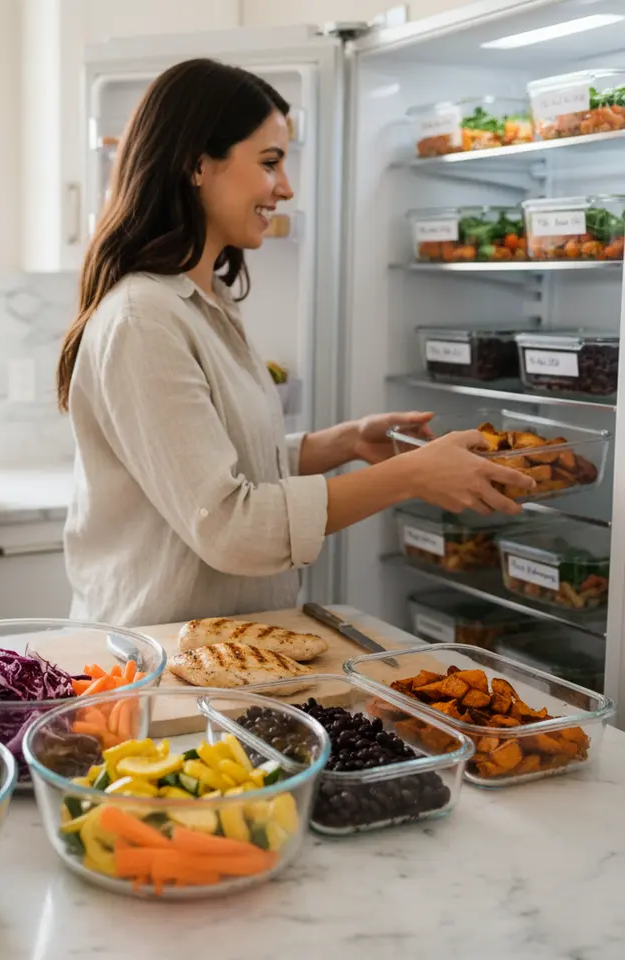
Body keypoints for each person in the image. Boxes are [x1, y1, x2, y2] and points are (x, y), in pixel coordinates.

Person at [56, 59, 534, 627]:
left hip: (222, 652)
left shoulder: (205, 302)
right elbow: (230, 527)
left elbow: (212, 463)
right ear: (196, 165)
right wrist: (411, 475)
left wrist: (343, 443)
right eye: (270, 162)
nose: (286, 187)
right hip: (155, 666)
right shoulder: (143, 319)